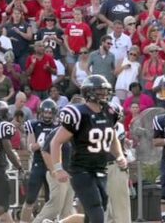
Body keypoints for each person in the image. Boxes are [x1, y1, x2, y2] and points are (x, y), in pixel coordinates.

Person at [50, 75, 127, 223]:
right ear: (89, 92)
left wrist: (119, 155)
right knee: (96, 210)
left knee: (96, 210)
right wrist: (58, 168)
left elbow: (112, 137)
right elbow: (56, 142)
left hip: (100, 169)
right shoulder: (79, 114)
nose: (104, 94)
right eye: (100, 91)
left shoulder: (110, 112)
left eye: (105, 90)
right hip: (81, 170)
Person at [21, 99, 58, 223]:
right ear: (41, 112)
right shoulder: (34, 125)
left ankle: (46, 221)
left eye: (50, 113)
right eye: (45, 113)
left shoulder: (58, 127)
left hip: (52, 166)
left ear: (54, 114)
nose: (47, 116)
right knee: (30, 198)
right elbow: (30, 147)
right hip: (38, 164)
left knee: (50, 199)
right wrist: (44, 142)